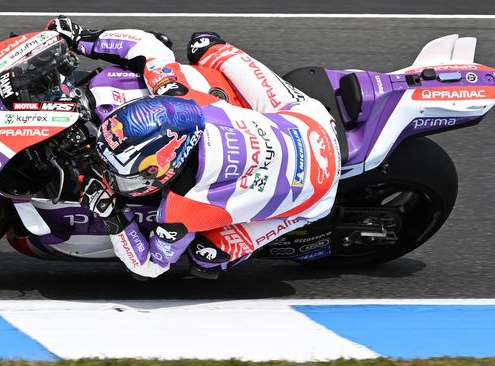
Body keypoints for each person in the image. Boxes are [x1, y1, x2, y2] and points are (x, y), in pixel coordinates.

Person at [47, 16, 341, 279]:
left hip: (316, 194)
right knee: (206, 46)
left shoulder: (183, 209)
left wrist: (113, 217)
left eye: (124, 173)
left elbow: (150, 266)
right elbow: (151, 47)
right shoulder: (183, 99)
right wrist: (81, 39)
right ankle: (216, 51)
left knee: (205, 257)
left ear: (161, 170)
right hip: (307, 121)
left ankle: (283, 231)